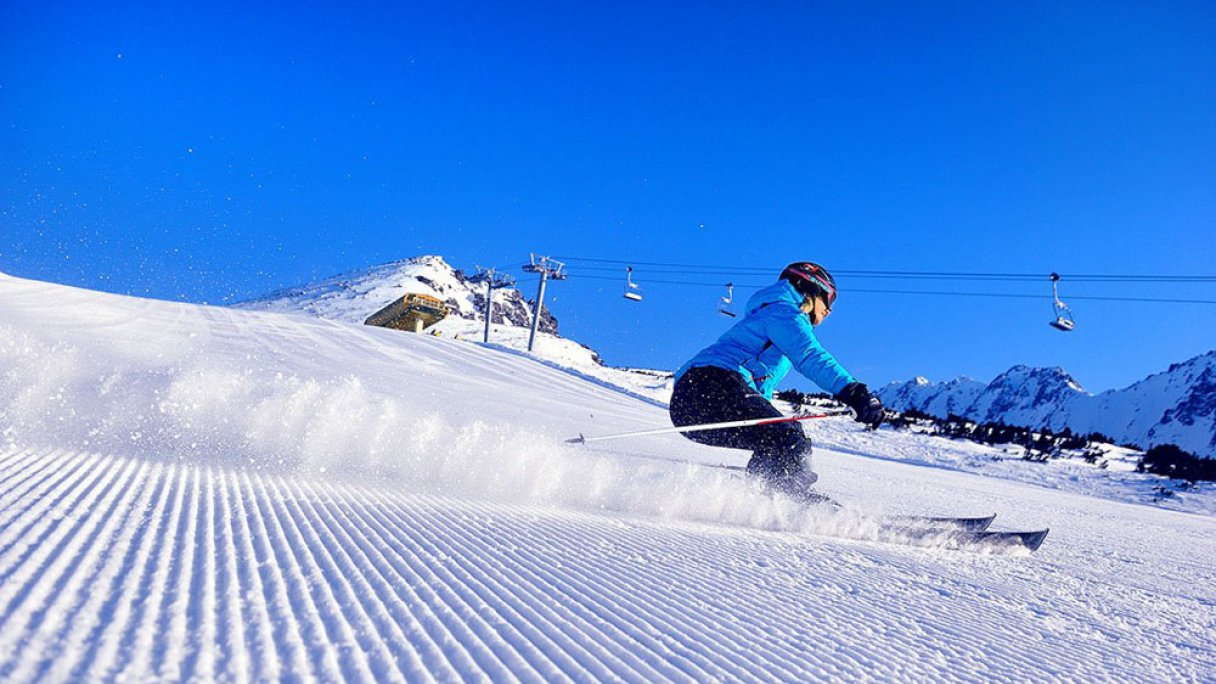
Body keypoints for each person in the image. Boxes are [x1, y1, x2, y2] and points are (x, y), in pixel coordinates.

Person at [669, 261, 885, 499]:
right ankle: (791, 502)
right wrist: (853, 391)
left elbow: (758, 389)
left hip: (689, 407)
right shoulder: (784, 312)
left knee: (777, 437)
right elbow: (809, 355)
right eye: (829, 299)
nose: (829, 310)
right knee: (788, 436)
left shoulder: (771, 314)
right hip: (710, 383)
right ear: (810, 290)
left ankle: (759, 499)